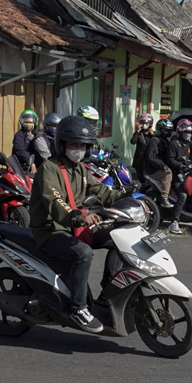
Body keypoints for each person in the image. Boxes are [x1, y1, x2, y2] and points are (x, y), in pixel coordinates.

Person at [28, 115, 124, 334]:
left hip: (74, 227)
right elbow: (55, 201)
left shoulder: (80, 169)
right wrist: (80, 217)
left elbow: (101, 191)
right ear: (62, 145)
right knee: (83, 253)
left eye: (82, 145)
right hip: (51, 231)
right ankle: (78, 308)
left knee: (117, 238)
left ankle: (107, 296)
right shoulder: (49, 169)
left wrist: (129, 196)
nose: (78, 149)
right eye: (73, 144)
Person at [148, 118, 176, 209]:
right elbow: (151, 157)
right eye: (166, 131)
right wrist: (163, 166)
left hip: (160, 167)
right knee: (168, 174)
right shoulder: (154, 140)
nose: (168, 133)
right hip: (153, 169)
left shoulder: (165, 141)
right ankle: (165, 198)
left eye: (169, 131)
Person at [130, 112, 154, 181]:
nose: (144, 125)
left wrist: (153, 135)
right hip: (139, 161)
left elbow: (157, 144)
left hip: (149, 161)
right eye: (142, 122)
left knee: (149, 179)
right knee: (140, 179)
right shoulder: (139, 134)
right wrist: (137, 131)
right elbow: (133, 141)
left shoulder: (152, 135)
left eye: (146, 123)